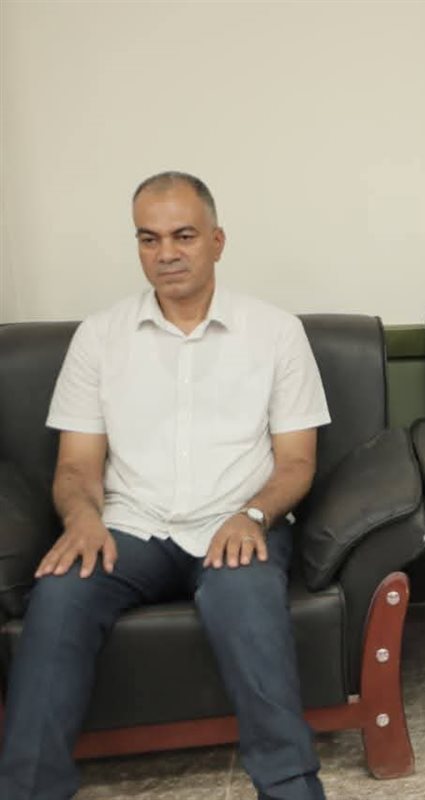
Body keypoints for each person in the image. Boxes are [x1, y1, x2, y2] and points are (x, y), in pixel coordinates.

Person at [0, 172, 329, 799]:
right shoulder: (99, 337)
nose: (166, 253)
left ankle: (290, 789)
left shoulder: (276, 332)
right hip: (130, 528)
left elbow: (296, 463)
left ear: (217, 241)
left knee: (247, 603)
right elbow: (76, 466)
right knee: (59, 597)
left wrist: (253, 516)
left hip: (237, 524)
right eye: (149, 239)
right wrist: (82, 519)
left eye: (183, 235)